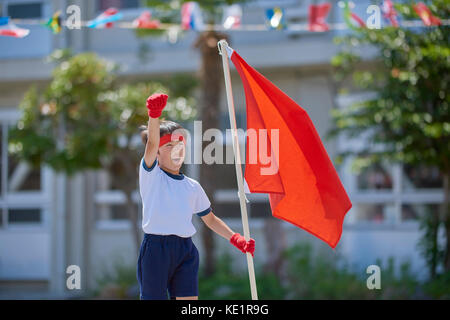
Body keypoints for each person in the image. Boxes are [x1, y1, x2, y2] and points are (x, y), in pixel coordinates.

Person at [137, 93, 255, 300]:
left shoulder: (192, 186)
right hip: (156, 250)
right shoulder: (151, 176)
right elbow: (152, 143)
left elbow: (209, 219)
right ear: (157, 153)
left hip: (185, 250)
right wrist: (154, 115)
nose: (176, 150)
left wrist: (235, 238)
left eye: (180, 145)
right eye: (169, 146)